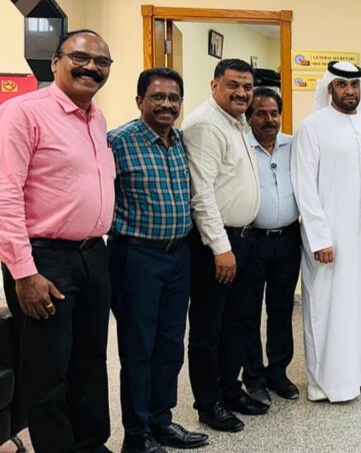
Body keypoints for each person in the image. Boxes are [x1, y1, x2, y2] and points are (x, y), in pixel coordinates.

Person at [0, 30, 116, 453]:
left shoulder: (96, 118)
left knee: (90, 359)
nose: (91, 67)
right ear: (55, 62)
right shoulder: (22, 113)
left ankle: (90, 444)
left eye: (101, 62)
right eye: (80, 58)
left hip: (92, 254)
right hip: (45, 259)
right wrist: (24, 272)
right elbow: (5, 194)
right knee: (48, 369)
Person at [108, 68, 209, 453]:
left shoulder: (182, 142)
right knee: (139, 348)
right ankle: (137, 435)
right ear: (140, 101)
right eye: (158, 97)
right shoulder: (118, 142)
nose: (167, 104)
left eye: (174, 98)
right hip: (136, 257)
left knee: (169, 345)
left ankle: (160, 421)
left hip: (178, 256)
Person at [291, 61, 361, 402]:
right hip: (330, 236)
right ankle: (330, 382)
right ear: (330, 88)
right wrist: (319, 237)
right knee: (330, 307)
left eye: (354, 85)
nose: (349, 91)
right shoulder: (313, 127)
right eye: (342, 85)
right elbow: (304, 186)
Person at [182, 58, 264, 432]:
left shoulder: (237, 122)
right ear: (214, 86)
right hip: (217, 245)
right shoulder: (205, 124)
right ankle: (209, 402)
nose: (241, 93)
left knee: (239, 323)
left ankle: (230, 389)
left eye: (247, 86)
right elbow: (201, 193)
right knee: (208, 329)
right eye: (233, 85)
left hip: (242, 239)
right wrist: (220, 247)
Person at [241, 87, 302, 404]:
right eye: (261, 113)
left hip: (289, 239)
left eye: (274, 113)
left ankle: (278, 372)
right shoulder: (241, 147)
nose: (269, 120)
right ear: (248, 117)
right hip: (252, 240)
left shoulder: (294, 145)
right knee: (248, 312)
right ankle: (253, 378)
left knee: (282, 309)